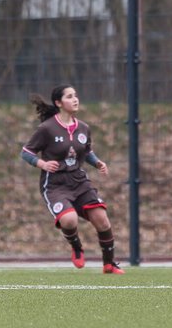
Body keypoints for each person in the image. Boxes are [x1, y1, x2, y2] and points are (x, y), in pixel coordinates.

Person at [21, 85, 124, 274]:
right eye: (69, 97)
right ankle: (77, 248)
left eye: (76, 95)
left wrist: (97, 162)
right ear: (59, 103)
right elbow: (26, 153)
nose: (75, 99)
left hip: (78, 180)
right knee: (69, 220)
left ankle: (109, 264)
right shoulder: (47, 128)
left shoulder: (83, 127)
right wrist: (42, 164)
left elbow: (86, 151)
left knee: (101, 218)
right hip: (55, 184)